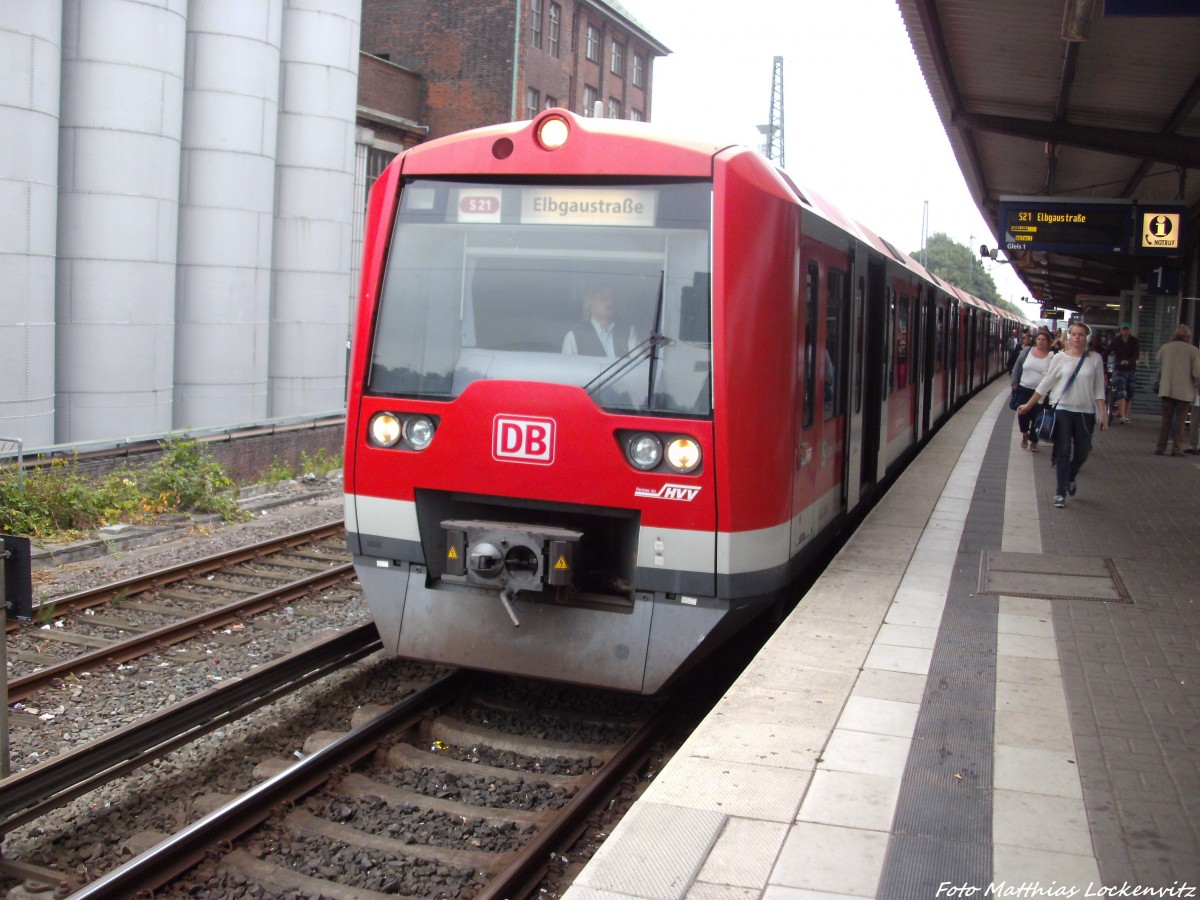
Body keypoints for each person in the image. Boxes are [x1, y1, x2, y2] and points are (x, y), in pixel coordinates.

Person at [1016, 322, 1107, 509]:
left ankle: (1071, 476)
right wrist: (1028, 405)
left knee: (1082, 453)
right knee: (1063, 451)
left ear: (1087, 338)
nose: (1077, 337)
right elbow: (1045, 384)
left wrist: (1103, 413)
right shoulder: (1059, 358)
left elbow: (1099, 389)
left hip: (1086, 412)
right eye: (1074, 334)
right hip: (1063, 410)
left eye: (1081, 334)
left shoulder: (1095, 359)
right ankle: (1060, 492)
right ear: (1068, 337)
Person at [1153, 323, 1200, 457]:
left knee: (1165, 420)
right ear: (1188, 337)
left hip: (1167, 389)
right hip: (1184, 392)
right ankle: (1176, 449)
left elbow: (1158, 359)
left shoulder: (1165, 347)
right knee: (1180, 421)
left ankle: (1160, 448)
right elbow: (1197, 372)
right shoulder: (1193, 351)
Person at [1010, 328, 1054, 451]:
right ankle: (1024, 433)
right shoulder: (1027, 351)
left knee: (1037, 416)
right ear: (1035, 340)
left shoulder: (1051, 357)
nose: (1041, 341)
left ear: (1048, 342)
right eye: (1039, 339)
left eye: (1044, 340)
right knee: (1022, 413)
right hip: (1023, 388)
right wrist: (1014, 383)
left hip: (1040, 392)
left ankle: (1034, 441)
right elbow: (1017, 366)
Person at [561, 286, 637, 357]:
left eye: (612, 299)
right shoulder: (574, 336)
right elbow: (567, 368)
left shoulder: (627, 331)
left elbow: (640, 364)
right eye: (604, 299)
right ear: (590, 305)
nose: (610, 303)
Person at [1108, 322, 1140, 423]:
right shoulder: (1116, 341)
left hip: (1131, 370)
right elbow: (1107, 351)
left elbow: (1136, 355)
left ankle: (1126, 415)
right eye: (1123, 329)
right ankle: (1122, 415)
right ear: (1120, 330)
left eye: (1127, 329)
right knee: (1121, 391)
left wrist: (1128, 361)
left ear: (1130, 330)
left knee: (1130, 393)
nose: (1125, 331)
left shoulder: (1134, 341)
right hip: (1119, 369)